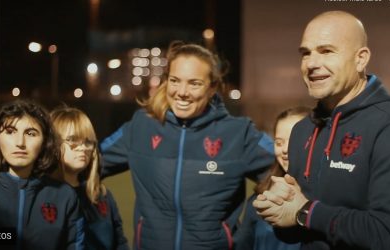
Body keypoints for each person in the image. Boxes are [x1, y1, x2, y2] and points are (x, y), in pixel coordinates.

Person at [100, 41, 275, 250]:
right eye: (175, 80)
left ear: (212, 88)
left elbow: (289, 171)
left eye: (194, 83)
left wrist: (248, 231)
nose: (182, 92)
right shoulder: (141, 126)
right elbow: (89, 163)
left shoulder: (239, 133)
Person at [253, 10, 390, 250]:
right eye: (305, 53)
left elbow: (386, 233)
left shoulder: (387, 125)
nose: (311, 64)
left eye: (326, 51)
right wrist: (281, 214)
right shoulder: (302, 130)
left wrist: (306, 211)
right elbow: (299, 231)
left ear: (361, 59)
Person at [0, 99, 84, 250]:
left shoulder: (64, 196)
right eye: (10, 132)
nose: (20, 142)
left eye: (31, 133)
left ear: (45, 142)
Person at [50, 106, 130, 250]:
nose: (83, 148)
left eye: (88, 142)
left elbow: (120, 243)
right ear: (53, 144)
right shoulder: (41, 196)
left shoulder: (102, 195)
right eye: (73, 140)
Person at [235, 106, 310, 250]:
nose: (285, 150)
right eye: (279, 142)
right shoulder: (262, 197)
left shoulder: (329, 199)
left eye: (294, 140)